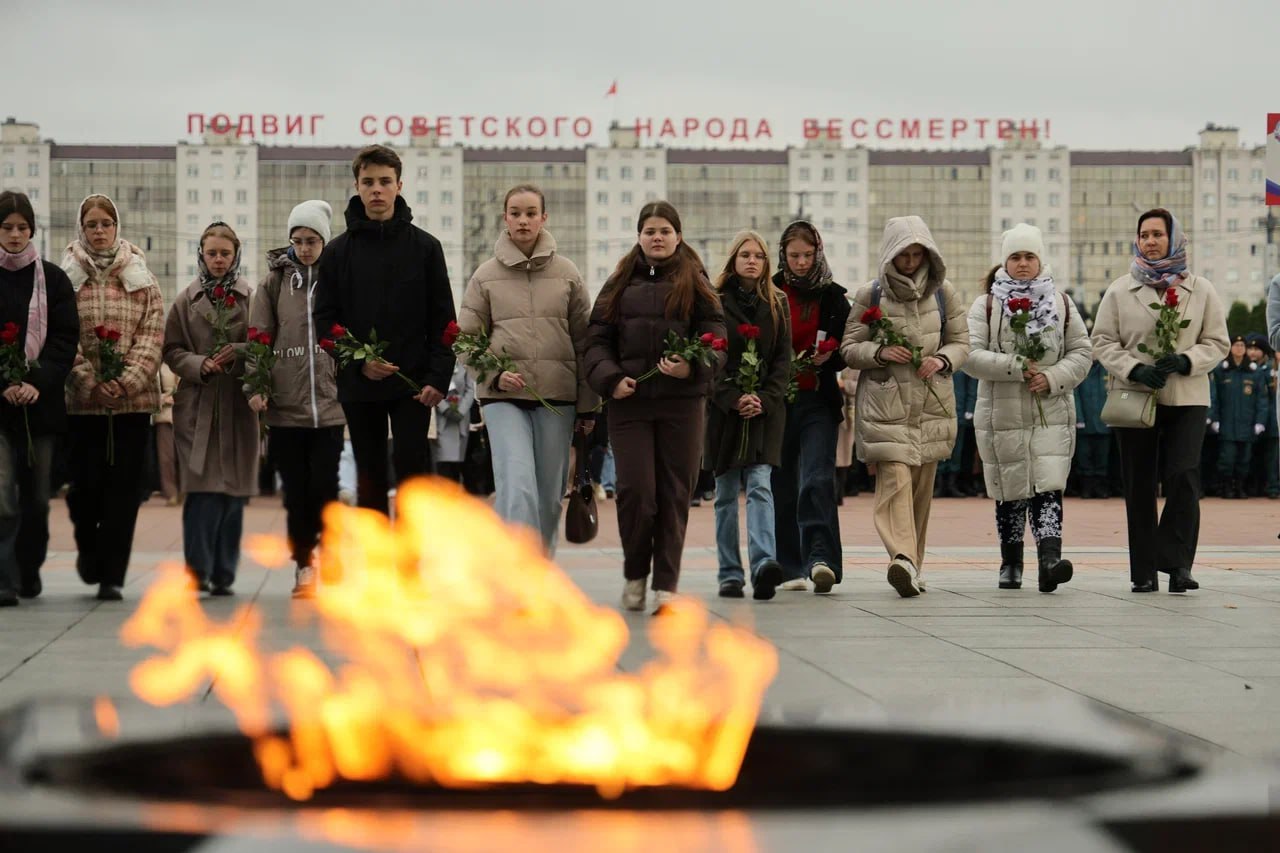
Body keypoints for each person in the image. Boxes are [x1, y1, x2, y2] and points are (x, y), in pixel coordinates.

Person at [584, 201, 726, 613]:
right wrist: (611, 378)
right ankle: (634, 574)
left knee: (673, 494)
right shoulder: (618, 283)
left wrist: (692, 368)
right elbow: (596, 342)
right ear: (639, 237)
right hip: (629, 405)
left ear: (678, 236)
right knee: (635, 493)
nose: (658, 237)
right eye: (650, 231)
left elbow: (716, 339)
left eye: (665, 230)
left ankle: (666, 584)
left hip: (682, 406)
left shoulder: (696, 282)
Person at [313, 145, 456, 516]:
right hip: (360, 385)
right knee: (370, 476)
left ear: (399, 185)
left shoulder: (426, 248)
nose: (377, 189)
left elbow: (445, 322)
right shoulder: (336, 253)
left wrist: (438, 378)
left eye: (385, 181)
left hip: (415, 386)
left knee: (413, 476)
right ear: (357, 186)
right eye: (369, 182)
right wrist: (359, 364)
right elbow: (324, 323)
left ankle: (411, 565)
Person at [1092, 208, 1229, 593]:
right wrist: (1133, 369)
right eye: (1144, 235)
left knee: (1183, 476)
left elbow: (1217, 342)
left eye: (1158, 234)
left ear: (1174, 238)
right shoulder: (1121, 290)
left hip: (1186, 396)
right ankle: (1144, 570)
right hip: (1135, 398)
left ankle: (1178, 563)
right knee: (1139, 484)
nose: (1150, 241)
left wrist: (1187, 359)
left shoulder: (1200, 289)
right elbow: (1101, 340)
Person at [457, 184, 597, 553]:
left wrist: (589, 406)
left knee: (549, 497)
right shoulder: (484, 276)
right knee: (516, 487)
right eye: (515, 213)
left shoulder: (568, 273)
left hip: (558, 399)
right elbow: (467, 339)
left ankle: (540, 573)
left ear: (543, 218)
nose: (523, 220)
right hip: (504, 399)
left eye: (531, 213)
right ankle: (518, 578)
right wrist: (493, 375)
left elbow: (586, 343)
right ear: (505, 218)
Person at [841, 215, 968, 598]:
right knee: (894, 480)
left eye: (917, 254)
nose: (910, 261)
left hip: (931, 403)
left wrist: (943, 360)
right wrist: (879, 352)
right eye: (903, 254)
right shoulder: (870, 295)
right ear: (890, 255)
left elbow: (962, 342)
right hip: (886, 404)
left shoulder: (945, 295)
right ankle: (902, 558)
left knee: (920, 492)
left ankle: (913, 566)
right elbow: (849, 347)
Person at [964, 224, 1092, 592]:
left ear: (1040, 260)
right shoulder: (986, 304)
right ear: (1005, 261)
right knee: (1011, 487)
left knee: (1048, 485)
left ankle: (1050, 560)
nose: (1023, 264)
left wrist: (1053, 377)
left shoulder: (1062, 303)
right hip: (1001, 413)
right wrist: (1015, 366)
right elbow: (970, 355)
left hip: (1049, 411)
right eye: (1016, 257)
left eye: (1029, 256)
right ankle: (1011, 562)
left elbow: (1082, 352)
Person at [60, 194, 165, 601]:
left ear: (117, 226)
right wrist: (89, 382)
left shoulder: (142, 277)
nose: (99, 231)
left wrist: (126, 382)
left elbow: (153, 335)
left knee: (124, 491)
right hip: (82, 405)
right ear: (81, 229)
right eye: (92, 225)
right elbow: (60, 335)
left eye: (106, 223)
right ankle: (90, 551)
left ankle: (112, 575)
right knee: (84, 490)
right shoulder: (64, 278)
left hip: (131, 405)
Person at [246, 200, 345, 599]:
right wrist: (256, 386)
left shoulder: (337, 277)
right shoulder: (273, 283)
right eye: (298, 240)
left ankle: (329, 553)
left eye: (312, 240)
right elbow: (258, 335)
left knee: (326, 486)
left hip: (330, 405)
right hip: (286, 408)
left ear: (324, 240)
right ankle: (304, 563)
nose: (304, 248)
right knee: (296, 491)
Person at [163, 222, 259, 595]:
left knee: (233, 492)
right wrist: (197, 363)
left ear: (236, 256)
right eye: (211, 253)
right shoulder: (185, 301)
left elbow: (265, 344)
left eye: (225, 254)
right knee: (201, 490)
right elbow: (170, 349)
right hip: (198, 406)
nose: (218, 260)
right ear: (200, 254)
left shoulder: (252, 298)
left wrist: (238, 355)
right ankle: (197, 570)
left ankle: (224, 573)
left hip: (237, 404)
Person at [0, 191, 78, 605]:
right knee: (2, 498)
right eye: (7, 227)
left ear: (32, 229)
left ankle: (28, 572)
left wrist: (37, 381)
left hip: (41, 406)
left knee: (36, 501)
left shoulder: (53, 278)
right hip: (0, 407)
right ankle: (3, 579)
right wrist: (5, 384)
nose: (15, 235)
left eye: (22, 227)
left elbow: (66, 339)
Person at [704, 230, 790, 600]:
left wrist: (764, 399)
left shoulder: (778, 303)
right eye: (744, 255)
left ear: (766, 262)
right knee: (724, 493)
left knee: (759, 486)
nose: (751, 260)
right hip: (725, 411)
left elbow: (782, 361)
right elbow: (709, 356)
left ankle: (763, 564)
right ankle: (729, 573)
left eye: (758, 255)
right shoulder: (714, 303)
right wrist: (733, 397)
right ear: (733, 261)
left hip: (765, 411)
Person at [771, 221, 850, 594]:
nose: (801, 263)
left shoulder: (834, 296)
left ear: (818, 252)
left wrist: (829, 358)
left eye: (807, 255)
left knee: (817, 478)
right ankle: (789, 566)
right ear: (783, 256)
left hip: (818, 399)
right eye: (794, 256)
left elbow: (846, 350)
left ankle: (822, 560)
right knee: (782, 482)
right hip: (778, 402)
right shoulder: (770, 291)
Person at [1208, 335, 1266, 499]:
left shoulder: (1254, 372)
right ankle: (1226, 487)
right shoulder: (1222, 370)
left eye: (1242, 345)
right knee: (1227, 459)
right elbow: (1214, 396)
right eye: (1236, 345)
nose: (1239, 348)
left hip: (1247, 424)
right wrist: (1214, 418)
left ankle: (1240, 487)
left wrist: (1260, 421)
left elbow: (1262, 398)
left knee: (1244, 460)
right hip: (1227, 424)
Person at [432, 361, 475, 483]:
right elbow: (431, 387)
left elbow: (470, 389)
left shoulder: (464, 363)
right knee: (443, 460)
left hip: (461, 418)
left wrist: (461, 411)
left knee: (458, 461)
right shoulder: (437, 362)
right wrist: (444, 409)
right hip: (442, 419)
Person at [1074, 359, 1112, 498]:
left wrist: (1111, 417)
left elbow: (1112, 393)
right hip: (1085, 423)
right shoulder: (1081, 370)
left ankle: (1101, 488)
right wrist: (1079, 419)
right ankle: (1086, 488)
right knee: (1084, 457)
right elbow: (1075, 396)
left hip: (1104, 423)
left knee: (1102, 458)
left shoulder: (1107, 369)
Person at [1243, 333, 1275, 497]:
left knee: (1269, 456)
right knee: (1251, 457)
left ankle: (1269, 487)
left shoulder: (1270, 369)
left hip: (1269, 421)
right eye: (1250, 348)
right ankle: (1252, 487)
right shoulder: (1246, 369)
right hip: (1249, 419)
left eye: (1256, 349)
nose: (1252, 353)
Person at [155, 362, 180, 505]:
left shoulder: (185, 363)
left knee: (186, 457)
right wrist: (164, 399)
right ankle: (171, 493)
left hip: (185, 416)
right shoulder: (159, 367)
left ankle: (185, 490)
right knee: (166, 457)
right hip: (165, 416)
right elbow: (152, 392)